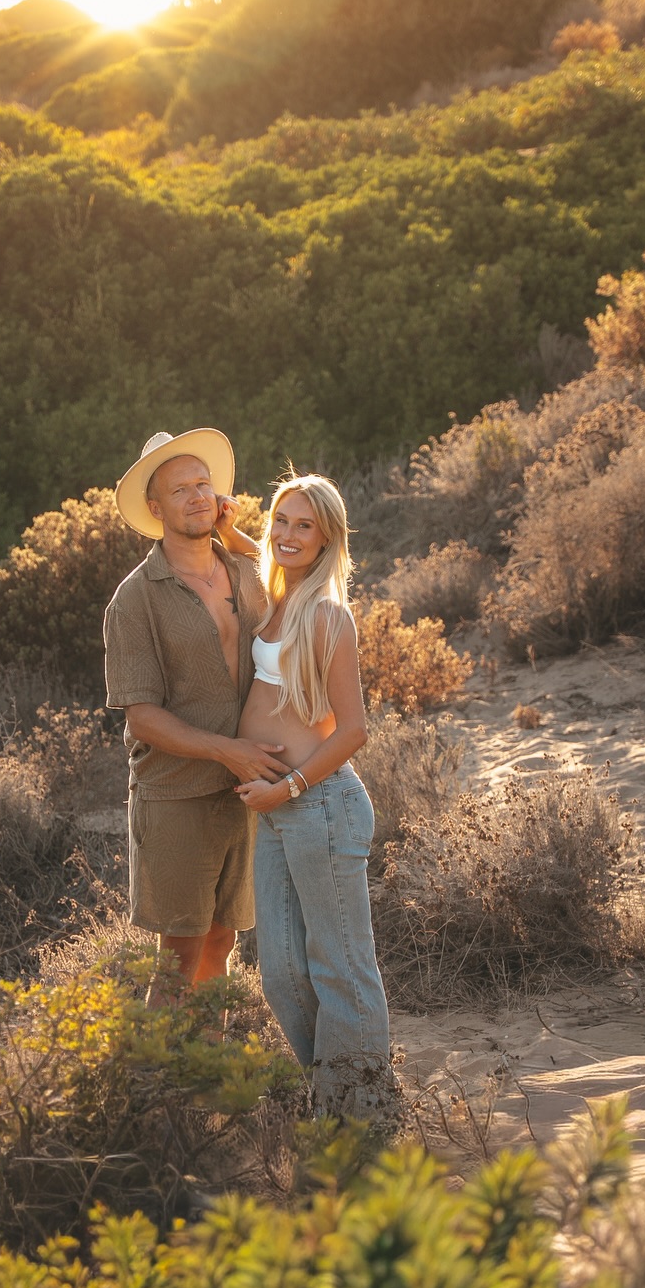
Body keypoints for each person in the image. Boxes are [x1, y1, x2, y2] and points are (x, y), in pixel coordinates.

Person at [103, 429, 288, 985]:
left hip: (244, 788)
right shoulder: (135, 597)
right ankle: (163, 1074)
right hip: (177, 790)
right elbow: (142, 716)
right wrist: (227, 750)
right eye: (180, 489)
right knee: (178, 958)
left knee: (221, 944)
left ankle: (211, 1066)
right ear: (155, 508)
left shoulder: (241, 570)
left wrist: (236, 536)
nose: (197, 496)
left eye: (203, 483)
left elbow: (294, 591)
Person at [234, 474, 392, 1114]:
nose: (289, 534)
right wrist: (227, 526)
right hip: (273, 815)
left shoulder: (327, 614)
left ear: (327, 535)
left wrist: (290, 786)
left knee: (341, 968)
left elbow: (354, 731)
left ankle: (366, 1117)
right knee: (281, 973)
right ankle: (333, 1093)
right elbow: (260, 553)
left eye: (305, 524)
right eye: (281, 520)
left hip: (321, 805)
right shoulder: (273, 597)